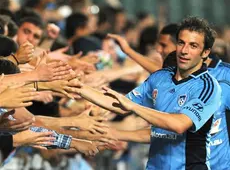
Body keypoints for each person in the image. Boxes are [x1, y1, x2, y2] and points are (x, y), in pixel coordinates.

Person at [65, 16, 221, 169]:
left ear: (205, 52)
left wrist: (133, 107)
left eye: (193, 46)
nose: (184, 51)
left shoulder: (207, 86)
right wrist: (75, 86)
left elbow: (178, 125)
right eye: (181, 43)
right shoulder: (160, 78)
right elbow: (120, 105)